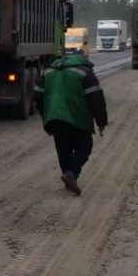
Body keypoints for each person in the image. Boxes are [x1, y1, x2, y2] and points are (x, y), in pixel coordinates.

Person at [34, 50, 109, 195]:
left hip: (54, 117)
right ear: (82, 59)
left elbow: (37, 94)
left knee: (63, 147)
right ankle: (72, 174)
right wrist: (101, 121)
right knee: (85, 146)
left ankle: (68, 177)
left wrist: (45, 112)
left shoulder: (48, 71)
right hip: (77, 117)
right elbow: (96, 99)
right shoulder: (85, 72)